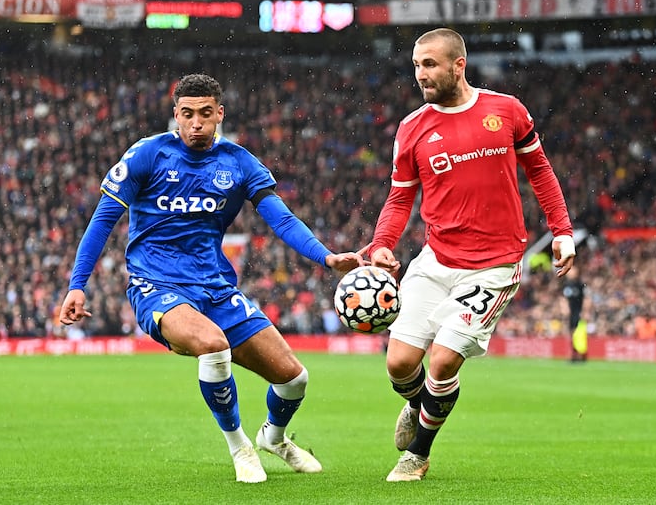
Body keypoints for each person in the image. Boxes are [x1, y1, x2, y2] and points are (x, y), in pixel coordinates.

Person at [59, 73, 363, 483]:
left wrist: (326, 258)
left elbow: (282, 220)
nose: (196, 123)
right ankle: (240, 446)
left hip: (216, 287)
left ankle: (273, 437)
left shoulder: (239, 163)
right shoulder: (147, 155)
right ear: (175, 116)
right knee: (213, 345)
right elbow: (103, 221)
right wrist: (78, 283)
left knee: (294, 379)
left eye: (205, 114)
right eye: (187, 114)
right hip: (157, 285)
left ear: (220, 114)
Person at [362, 28, 576, 482]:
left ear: (459, 65)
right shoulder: (412, 128)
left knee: (441, 362)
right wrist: (382, 244)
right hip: (436, 260)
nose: (421, 74)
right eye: (417, 65)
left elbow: (540, 170)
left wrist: (561, 231)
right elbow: (400, 199)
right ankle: (421, 405)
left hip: (494, 266)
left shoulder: (506, 110)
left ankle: (417, 454)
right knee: (400, 364)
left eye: (431, 64)